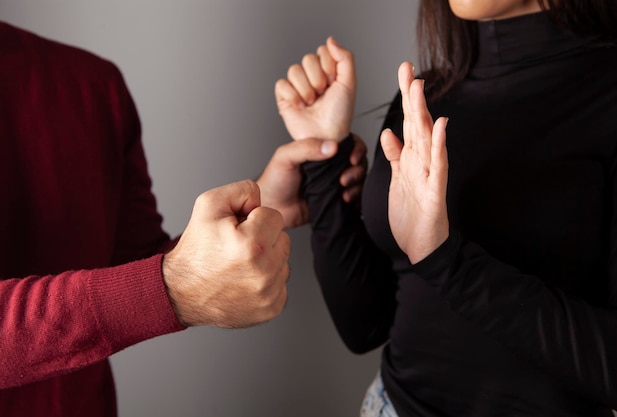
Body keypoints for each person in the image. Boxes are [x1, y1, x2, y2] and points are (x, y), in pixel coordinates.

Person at [273, 0, 617, 415]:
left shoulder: (616, 95)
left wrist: (445, 260)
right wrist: (324, 159)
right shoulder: (427, 95)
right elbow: (364, 325)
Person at [0, 20, 366, 416]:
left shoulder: (93, 84)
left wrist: (259, 207)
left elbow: (133, 267)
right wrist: (174, 289)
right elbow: (158, 285)